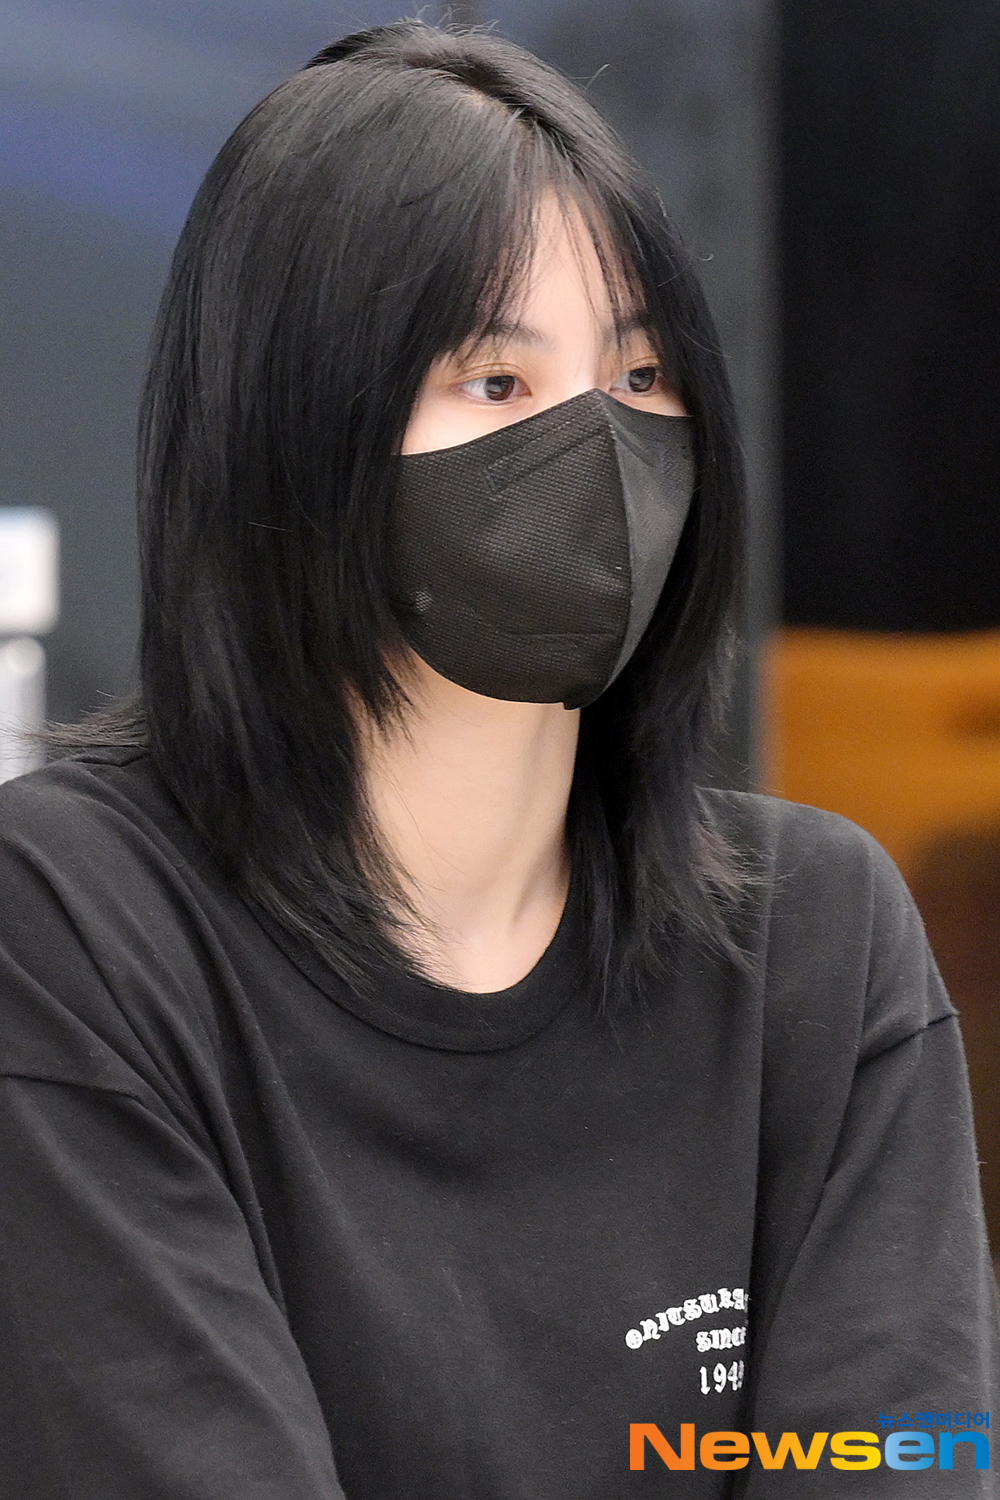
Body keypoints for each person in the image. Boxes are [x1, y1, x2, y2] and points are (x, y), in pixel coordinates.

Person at [0, 20, 995, 1499]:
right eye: (497, 382)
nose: (596, 445)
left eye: (642, 373)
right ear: (297, 427)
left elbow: (902, 1457)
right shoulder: (77, 922)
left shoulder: (814, 937)